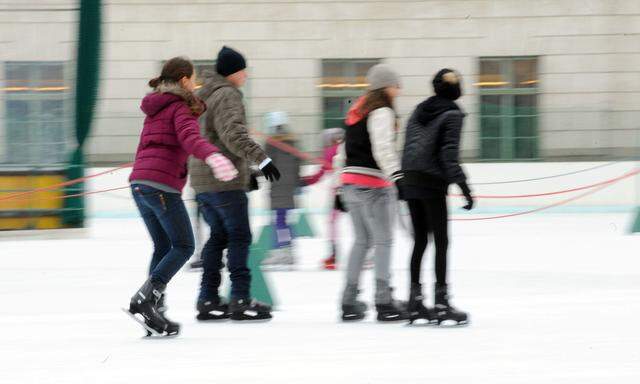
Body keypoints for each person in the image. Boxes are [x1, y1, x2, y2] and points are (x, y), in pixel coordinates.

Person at [126, 57, 238, 336]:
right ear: (184, 79)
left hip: (140, 184)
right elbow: (190, 138)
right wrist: (212, 154)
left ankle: (155, 312)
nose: (196, 84)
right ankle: (146, 298)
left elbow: (149, 146)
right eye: (194, 78)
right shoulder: (178, 106)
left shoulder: (155, 108)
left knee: (164, 246)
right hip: (161, 186)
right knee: (184, 245)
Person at [189, 46, 281, 321]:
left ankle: (207, 298)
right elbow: (232, 134)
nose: (246, 75)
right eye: (243, 70)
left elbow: (214, 138)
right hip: (223, 180)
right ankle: (240, 297)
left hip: (203, 181)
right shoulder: (228, 95)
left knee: (218, 237)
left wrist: (247, 173)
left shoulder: (203, 97)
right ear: (233, 72)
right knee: (240, 237)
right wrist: (262, 160)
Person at [401, 68, 473, 326]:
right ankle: (442, 304)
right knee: (441, 241)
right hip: (431, 183)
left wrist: (404, 181)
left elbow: (408, 146)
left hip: (411, 179)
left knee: (420, 241)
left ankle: (415, 302)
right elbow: (448, 154)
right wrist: (464, 186)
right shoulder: (453, 113)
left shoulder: (419, 109)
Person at [335, 64, 408, 322]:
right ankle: (383, 300)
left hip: (350, 185)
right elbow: (383, 147)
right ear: (385, 86)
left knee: (362, 241)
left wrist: (337, 187)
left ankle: (349, 299)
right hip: (373, 185)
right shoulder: (382, 112)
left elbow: (341, 154)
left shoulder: (356, 111)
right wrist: (398, 177)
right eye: (396, 85)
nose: (398, 90)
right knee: (384, 241)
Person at [260, 112, 302, 269]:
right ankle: (286, 249)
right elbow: (298, 165)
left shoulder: (271, 143)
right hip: (289, 187)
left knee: (279, 220)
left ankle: (282, 250)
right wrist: (297, 184)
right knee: (284, 219)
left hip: (278, 187)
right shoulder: (293, 142)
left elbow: (266, 165)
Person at [302, 128, 345, 270]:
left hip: (339, 192)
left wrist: (307, 180)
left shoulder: (330, 151)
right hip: (354, 187)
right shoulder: (346, 148)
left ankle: (333, 255)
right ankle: (368, 252)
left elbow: (320, 173)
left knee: (332, 223)